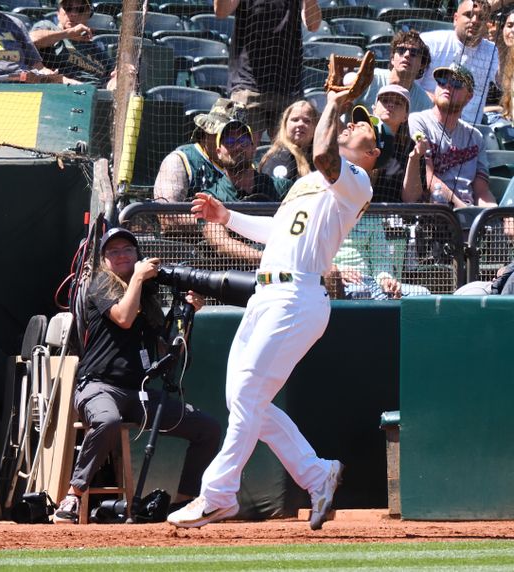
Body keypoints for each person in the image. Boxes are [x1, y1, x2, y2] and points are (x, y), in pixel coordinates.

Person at [168, 86, 382, 530]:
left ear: (373, 151)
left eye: (364, 124)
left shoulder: (356, 181)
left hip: (297, 296)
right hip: (266, 294)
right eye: (353, 118)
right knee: (246, 400)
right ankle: (316, 473)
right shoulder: (309, 183)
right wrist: (228, 218)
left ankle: (218, 494)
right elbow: (279, 228)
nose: (354, 124)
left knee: (248, 395)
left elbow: (323, 153)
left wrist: (337, 102)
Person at [52, 227, 221, 524]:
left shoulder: (148, 297)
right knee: (107, 421)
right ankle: (73, 496)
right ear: (104, 260)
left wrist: (188, 314)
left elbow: (171, 352)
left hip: (139, 394)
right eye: (113, 252)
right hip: (99, 387)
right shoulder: (100, 285)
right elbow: (124, 318)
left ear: (137, 254)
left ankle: (182, 504)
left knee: (207, 428)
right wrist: (140, 278)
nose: (121, 256)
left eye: (127, 250)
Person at [218, 0, 322, 141]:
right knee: (241, 151)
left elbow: (313, 25)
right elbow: (221, 12)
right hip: (247, 82)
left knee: (289, 155)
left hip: (288, 83)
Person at [154, 98, 291, 204]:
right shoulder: (181, 161)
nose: (236, 144)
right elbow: (168, 218)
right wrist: (220, 221)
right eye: (228, 137)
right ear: (206, 131)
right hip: (188, 239)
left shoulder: (245, 164)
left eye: (241, 138)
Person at [409, 63, 497, 207]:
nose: (447, 86)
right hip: (433, 212)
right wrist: (461, 207)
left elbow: (481, 191)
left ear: (469, 97)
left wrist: (494, 215)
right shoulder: (418, 121)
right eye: (442, 81)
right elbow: (429, 177)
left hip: (468, 213)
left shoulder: (475, 137)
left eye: (456, 83)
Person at [418, 0, 499, 124]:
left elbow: (503, 83)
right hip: (428, 122)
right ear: (455, 19)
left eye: (481, 17)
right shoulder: (430, 42)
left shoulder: (492, 50)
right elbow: (411, 86)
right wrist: (441, 103)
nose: (475, 21)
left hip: (471, 131)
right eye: (468, 15)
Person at [29, 0, 115, 88]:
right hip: (65, 93)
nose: (73, 14)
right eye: (68, 8)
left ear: (89, 15)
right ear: (58, 13)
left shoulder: (95, 49)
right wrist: (69, 33)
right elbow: (31, 41)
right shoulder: (48, 27)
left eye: (80, 9)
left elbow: (113, 73)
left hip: (98, 96)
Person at [360, 30, 433, 115]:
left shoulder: (424, 103)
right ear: (392, 59)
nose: (406, 55)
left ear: (422, 64)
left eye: (414, 52)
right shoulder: (370, 79)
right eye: (401, 50)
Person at [257, 100, 319, 182]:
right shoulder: (279, 158)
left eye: (307, 121)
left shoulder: (320, 158)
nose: (300, 124)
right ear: (285, 125)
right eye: (295, 120)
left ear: (315, 127)